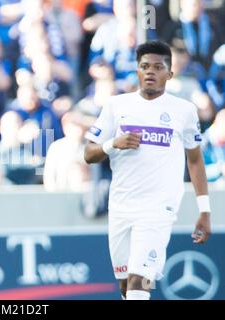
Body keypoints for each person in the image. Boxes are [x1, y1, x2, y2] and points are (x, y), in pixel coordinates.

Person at [84, 40, 211, 300]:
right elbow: (88, 154)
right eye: (144, 66)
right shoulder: (116, 106)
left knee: (139, 281)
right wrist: (113, 144)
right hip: (121, 206)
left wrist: (205, 209)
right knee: (126, 285)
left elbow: (195, 160)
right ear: (137, 71)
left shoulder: (184, 111)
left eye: (157, 67)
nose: (150, 71)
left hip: (158, 208)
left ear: (169, 74)